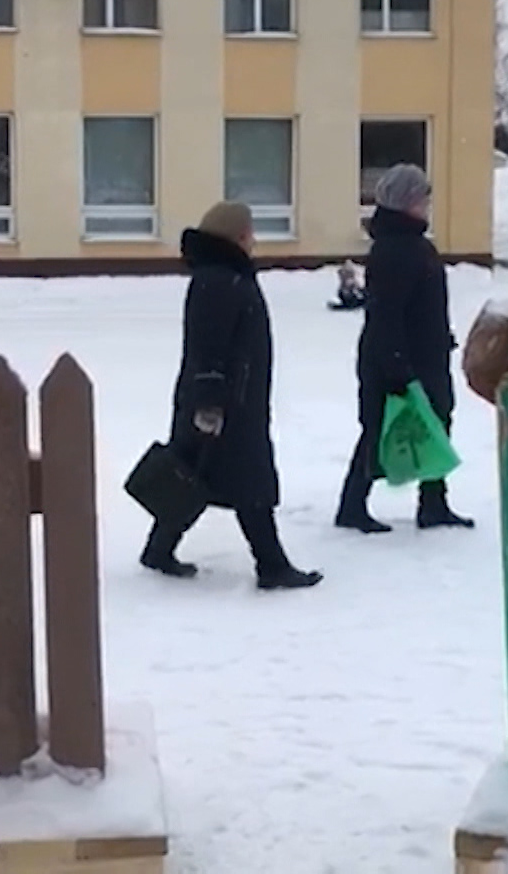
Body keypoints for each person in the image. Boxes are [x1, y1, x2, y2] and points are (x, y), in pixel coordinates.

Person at [140, 201, 324, 590]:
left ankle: (159, 549)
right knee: (246, 482)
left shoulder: (223, 276)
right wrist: (210, 403)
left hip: (229, 399)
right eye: (250, 233)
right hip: (227, 404)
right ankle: (272, 565)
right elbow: (208, 347)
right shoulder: (221, 281)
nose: (254, 240)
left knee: (195, 473)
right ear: (238, 236)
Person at [334, 164, 474, 533]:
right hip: (396, 359)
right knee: (379, 429)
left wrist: (440, 338)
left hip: (425, 355)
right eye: (421, 198)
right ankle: (352, 507)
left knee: (436, 424)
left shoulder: (413, 245)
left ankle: (434, 503)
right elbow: (386, 315)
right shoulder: (395, 249)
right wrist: (396, 368)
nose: (427, 204)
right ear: (405, 202)